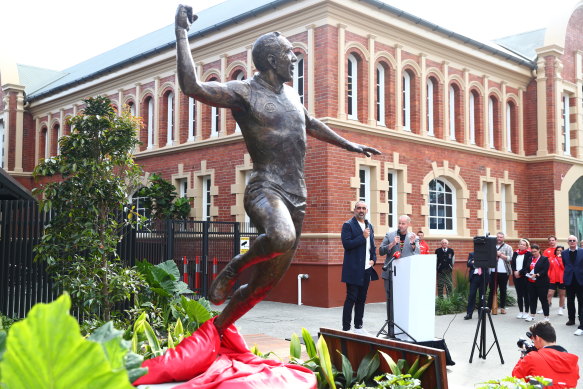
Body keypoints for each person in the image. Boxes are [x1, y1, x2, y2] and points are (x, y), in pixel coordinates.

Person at [175, 5, 380, 334]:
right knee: (280, 236)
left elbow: (311, 123)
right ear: (271, 60)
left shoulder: (290, 93)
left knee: (261, 288)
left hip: (297, 197)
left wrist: (349, 145)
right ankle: (233, 269)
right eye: (289, 52)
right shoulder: (244, 92)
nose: (295, 58)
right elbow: (193, 87)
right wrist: (182, 34)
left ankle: (214, 333)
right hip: (265, 190)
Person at [341, 201, 379, 334]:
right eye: (358, 208)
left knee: (362, 299)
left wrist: (374, 259)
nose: (361, 210)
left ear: (366, 211)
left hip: (366, 269)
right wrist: (362, 237)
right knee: (351, 298)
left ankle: (358, 326)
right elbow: (347, 244)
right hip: (353, 268)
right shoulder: (348, 225)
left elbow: (372, 245)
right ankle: (346, 328)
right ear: (354, 210)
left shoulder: (369, 225)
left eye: (363, 208)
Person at [512, 321, 579, 388]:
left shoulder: (532, 357)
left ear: (537, 338)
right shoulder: (573, 363)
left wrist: (523, 356)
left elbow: (516, 378)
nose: (534, 343)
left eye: (533, 340)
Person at [379, 215, 419, 300]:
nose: (400, 225)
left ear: (408, 224)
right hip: (391, 273)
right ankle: (391, 314)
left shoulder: (413, 237)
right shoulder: (389, 235)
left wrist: (413, 244)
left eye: (403, 223)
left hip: (406, 273)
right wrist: (392, 244)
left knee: (405, 298)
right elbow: (381, 251)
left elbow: (417, 254)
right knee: (391, 299)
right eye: (399, 223)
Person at [562, 235, 583, 335]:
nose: (572, 242)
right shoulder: (564, 253)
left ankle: (581, 319)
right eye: (570, 240)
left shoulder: (582, 251)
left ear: (577, 242)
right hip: (569, 280)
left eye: (574, 240)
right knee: (570, 300)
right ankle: (571, 319)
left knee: (581, 301)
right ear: (568, 242)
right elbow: (565, 265)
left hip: (580, 280)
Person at [487, 232, 513, 314]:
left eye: (501, 237)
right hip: (493, 271)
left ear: (503, 238)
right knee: (492, 290)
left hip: (504, 272)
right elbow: (487, 257)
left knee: (503, 290)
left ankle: (502, 307)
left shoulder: (508, 247)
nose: (499, 238)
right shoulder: (491, 246)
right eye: (498, 237)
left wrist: (500, 255)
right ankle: (489, 307)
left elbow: (510, 258)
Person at [524, 244, 550, 322]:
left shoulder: (544, 259)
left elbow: (545, 270)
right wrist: (527, 273)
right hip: (531, 282)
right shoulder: (530, 258)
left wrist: (537, 275)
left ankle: (546, 316)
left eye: (535, 251)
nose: (533, 253)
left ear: (539, 250)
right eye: (532, 252)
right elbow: (526, 268)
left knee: (543, 299)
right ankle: (532, 315)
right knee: (532, 299)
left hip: (541, 282)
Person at [464, 252, 489, 320]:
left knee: (482, 296)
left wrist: (475, 261)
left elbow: (488, 264)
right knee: (472, 295)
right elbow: (469, 264)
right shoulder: (472, 254)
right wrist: (476, 262)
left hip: (483, 277)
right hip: (474, 277)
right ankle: (469, 314)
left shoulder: (486, 254)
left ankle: (480, 314)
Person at [511, 239, 532, 319]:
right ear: (518, 245)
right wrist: (515, 271)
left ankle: (526, 311)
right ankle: (520, 311)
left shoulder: (528, 254)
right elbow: (512, 264)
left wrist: (520, 272)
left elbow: (527, 266)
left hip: (524, 276)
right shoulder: (515, 253)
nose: (522, 246)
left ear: (526, 246)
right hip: (516, 276)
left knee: (526, 294)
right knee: (519, 294)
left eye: (524, 245)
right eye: (520, 244)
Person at [546, 245, 566, 316]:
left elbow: (564, 268)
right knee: (549, 294)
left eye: (561, 250)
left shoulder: (565, 259)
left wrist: (560, 259)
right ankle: (546, 308)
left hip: (562, 279)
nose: (559, 251)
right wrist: (549, 276)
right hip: (552, 279)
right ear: (555, 251)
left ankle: (560, 308)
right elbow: (549, 269)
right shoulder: (551, 258)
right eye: (558, 250)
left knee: (562, 294)